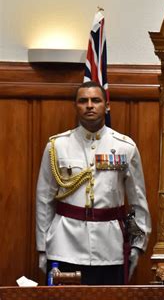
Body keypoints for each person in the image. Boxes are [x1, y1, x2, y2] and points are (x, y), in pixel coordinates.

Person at [36, 81, 151, 285]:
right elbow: (44, 200)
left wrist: (138, 246)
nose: (89, 105)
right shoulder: (57, 146)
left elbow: (137, 201)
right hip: (65, 245)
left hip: (110, 247)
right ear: (75, 106)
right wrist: (43, 248)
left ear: (107, 106)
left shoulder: (125, 147)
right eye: (83, 101)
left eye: (95, 100)